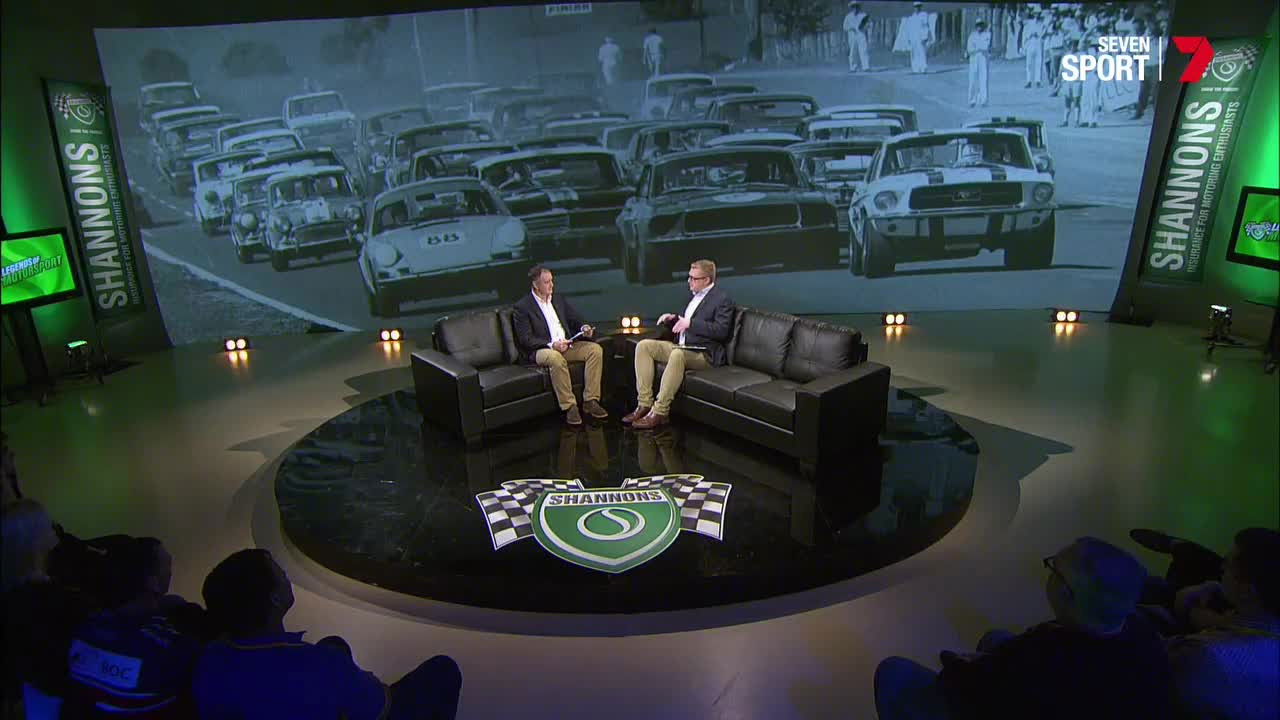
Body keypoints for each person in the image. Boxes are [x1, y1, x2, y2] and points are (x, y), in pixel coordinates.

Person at [874, 537, 1173, 719]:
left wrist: (958, 664)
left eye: (1054, 568)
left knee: (894, 673)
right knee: (995, 638)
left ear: (1067, 593)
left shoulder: (1042, 659)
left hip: (1019, 698)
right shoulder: (1142, 634)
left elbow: (965, 685)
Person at [194, 549, 462, 720]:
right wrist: (360, 684)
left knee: (335, 644)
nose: (285, 574)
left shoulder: (209, 660)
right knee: (443, 670)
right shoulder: (320, 664)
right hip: (351, 695)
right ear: (274, 599)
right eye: (280, 571)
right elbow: (379, 707)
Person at [1134, 527, 1280, 720]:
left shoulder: (1202, 656)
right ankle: (1184, 552)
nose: (1223, 569)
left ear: (1248, 590)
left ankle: (1183, 552)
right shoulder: (1263, 630)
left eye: (1227, 565)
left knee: (1151, 592)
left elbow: (1138, 664)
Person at [65, 537, 206, 717]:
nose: (171, 572)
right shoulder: (170, 650)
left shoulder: (83, 629)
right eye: (167, 565)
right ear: (153, 583)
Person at [2, 500, 95, 718]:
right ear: (33, 537)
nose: (54, 527)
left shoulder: (16, 595)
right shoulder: (48, 600)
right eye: (47, 524)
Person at [624, 259, 735, 430]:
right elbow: (686, 324)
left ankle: (660, 411)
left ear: (707, 280)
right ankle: (644, 404)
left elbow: (721, 331)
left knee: (677, 355)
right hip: (683, 346)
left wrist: (690, 323)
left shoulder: (722, 299)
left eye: (694, 278)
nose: (689, 281)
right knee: (644, 346)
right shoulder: (693, 296)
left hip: (705, 355)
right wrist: (672, 320)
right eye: (689, 277)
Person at [511, 265, 608, 427]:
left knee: (595, 350)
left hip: (566, 345)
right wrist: (552, 345)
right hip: (541, 350)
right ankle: (570, 407)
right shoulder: (523, 307)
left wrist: (584, 327)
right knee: (556, 358)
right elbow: (526, 339)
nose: (551, 285)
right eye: (547, 282)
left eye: (552, 281)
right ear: (536, 285)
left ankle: (590, 401)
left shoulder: (557, 299)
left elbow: (575, 319)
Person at [965, 20, 992, 108]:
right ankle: (972, 100)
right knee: (972, 80)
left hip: (983, 59)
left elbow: (986, 46)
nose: (979, 27)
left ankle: (983, 100)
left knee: (983, 80)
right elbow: (969, 49)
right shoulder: (972, 35)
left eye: (981, 25)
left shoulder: (987, 35)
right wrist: (977, 48)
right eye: (978, 25)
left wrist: (976, 47)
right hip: (974, 59)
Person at [902, 2, 934, 74]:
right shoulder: (912, 17)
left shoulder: (924, 15)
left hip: (921, 37)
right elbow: (910, 28)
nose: (917, 8)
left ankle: (923, 68)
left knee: (921, 52)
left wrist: (925, 37)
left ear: (920, 7)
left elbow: (926, 26)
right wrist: (909, 38)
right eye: (915, 7)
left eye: (918, 6)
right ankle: (915, 69)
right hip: (913, 37)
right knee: (913, 53)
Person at [842, 1, 870, 73]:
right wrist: (850, 28)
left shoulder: (863, 15)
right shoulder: (848, 16)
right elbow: (844, 27)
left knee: (863, 50)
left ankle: (866, 67)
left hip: (861, 34)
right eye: (853, 7)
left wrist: (864, 27)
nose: (855, 8)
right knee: (852, 52)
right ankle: (853, 68)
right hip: (852, 35)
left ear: (859, 7)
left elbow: (868, 24)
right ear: (851, 8)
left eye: (856, 6)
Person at [1022, 8, 1046, 88]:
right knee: (1029, 64)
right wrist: (1024, 45)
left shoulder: (1042, 24)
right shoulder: (1029, 23)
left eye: (1038, 13)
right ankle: (1028, 81)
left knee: (1038, 63)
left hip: (1038, 43)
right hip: (1030, 43)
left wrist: (1038, 35)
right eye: (1035, 13)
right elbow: (1025, 34)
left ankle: (1038, 81)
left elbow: (1043, 33)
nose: (1037, 15)